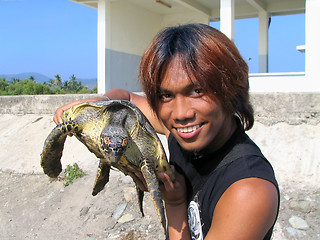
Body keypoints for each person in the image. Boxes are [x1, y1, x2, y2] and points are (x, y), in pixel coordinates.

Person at [54, 23, 279, 240]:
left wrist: (174, 204)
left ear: (231, 88)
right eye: (165, 96)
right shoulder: (183, 134)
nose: (180, 114)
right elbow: (128, 98)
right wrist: (99, 103)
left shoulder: (248, 190)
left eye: (197, 91)